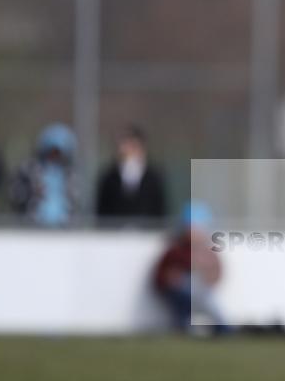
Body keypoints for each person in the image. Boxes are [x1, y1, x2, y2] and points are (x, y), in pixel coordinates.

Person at [154, 201, 230, 334]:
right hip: (181, 292)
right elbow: (161, 277)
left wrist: (207, 276)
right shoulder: (175, 252)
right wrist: (171, 280)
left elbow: (216, 273)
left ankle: (222, 328)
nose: (194, 233)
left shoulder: (207, 253)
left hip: (200, 291)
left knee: (207, 299)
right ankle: (184, 327)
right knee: (187, 295)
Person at [9, 123, 79, 227]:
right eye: (52, 152)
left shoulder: (69, 174)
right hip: (34, 226)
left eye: (58, 153)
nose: (55, 157)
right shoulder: (29, 169)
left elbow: (75, 200)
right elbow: (15, 194)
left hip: (63, 227)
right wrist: (32, 194)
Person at [95, 125, 167, 226]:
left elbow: (160, 209)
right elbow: (102, 211)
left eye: (130, 144)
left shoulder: (154, 177)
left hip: (146, 235)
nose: (125, 148)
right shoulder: (109, 177)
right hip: (114, 236)